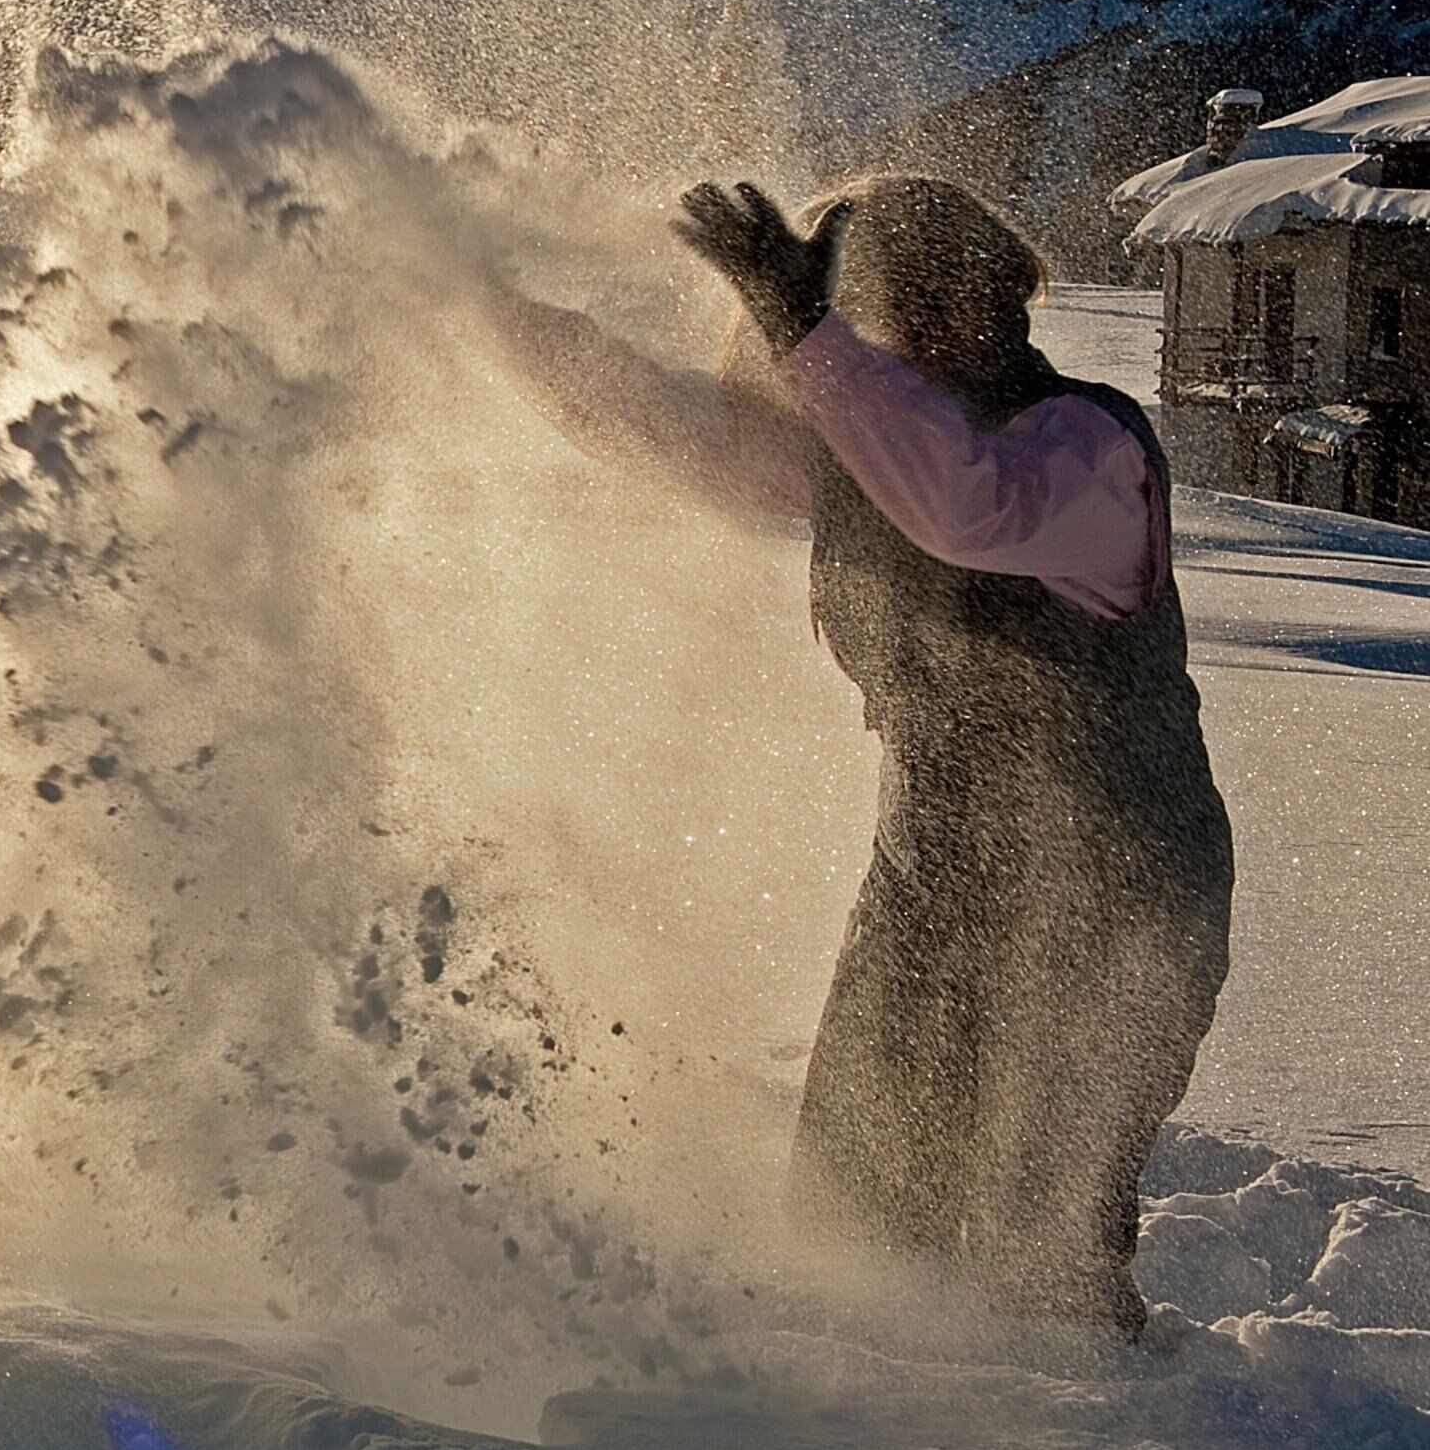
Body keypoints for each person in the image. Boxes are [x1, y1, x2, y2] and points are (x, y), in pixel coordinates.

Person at [485, 174, 1232, 1333]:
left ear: (986, 299)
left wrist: (805, 334)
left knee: (1040, 1253)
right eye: (886, 315)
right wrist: (474, 301)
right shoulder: (868, 455)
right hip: (935, 881)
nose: (922, 332)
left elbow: (963, 510)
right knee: (860, 1217)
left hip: (1114, 896)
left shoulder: (1084, 446)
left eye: (927, 305)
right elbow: (666, 425)